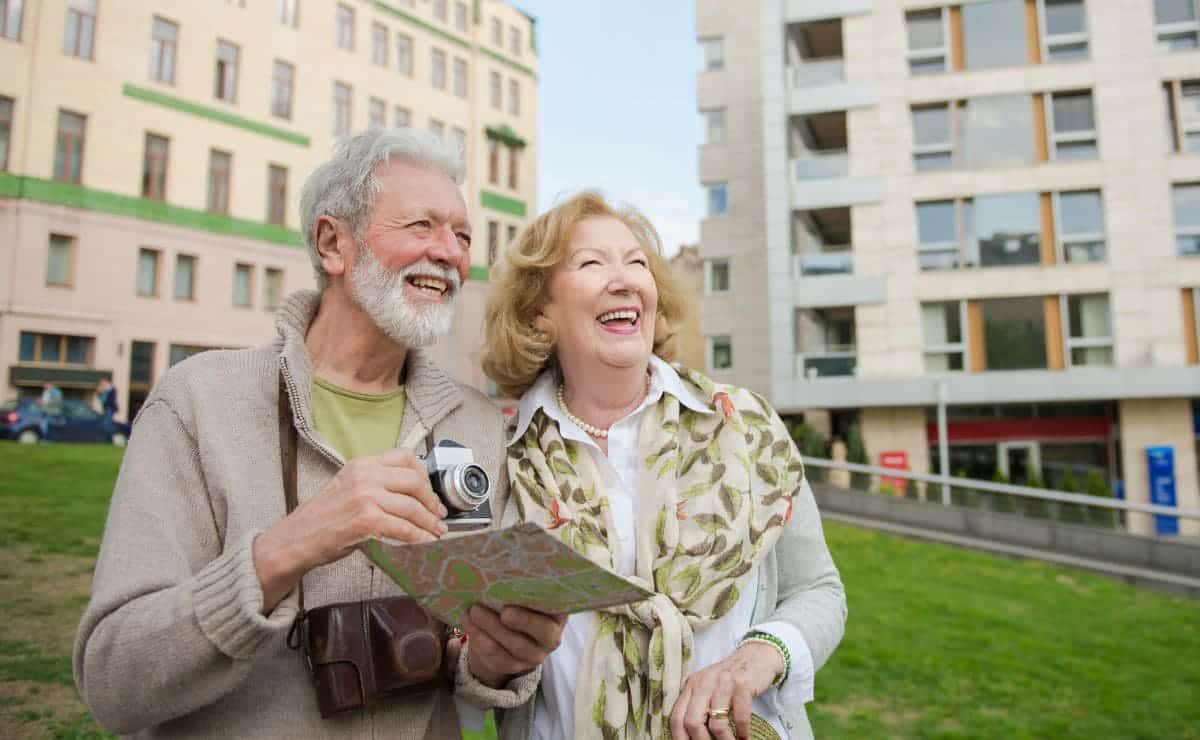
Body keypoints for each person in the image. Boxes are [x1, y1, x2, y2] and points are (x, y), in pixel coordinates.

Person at [73, 129, 565, 738]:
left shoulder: (480, 426)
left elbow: (472, 659)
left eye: (462, 236)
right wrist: (292, 544)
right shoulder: (198, 403)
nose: (449, 253)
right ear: (333, 243)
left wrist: (495, 658)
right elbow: (114, 678)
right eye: (421, 226)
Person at [480, 192, 846, 740]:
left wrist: (760, 656)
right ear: (540, 311)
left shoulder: (744, 425)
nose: (624, 279)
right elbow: (479, 649)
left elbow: (818, 590)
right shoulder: (502, 452)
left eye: (637, 262)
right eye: (592, 263)